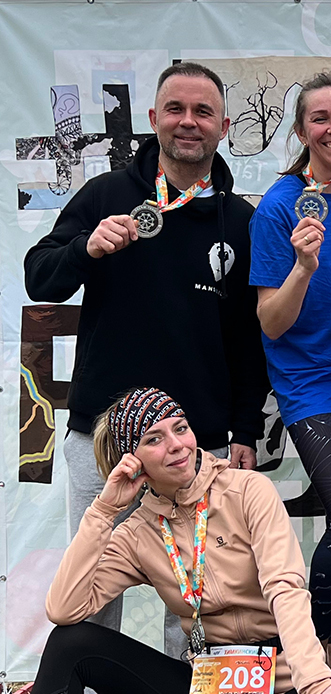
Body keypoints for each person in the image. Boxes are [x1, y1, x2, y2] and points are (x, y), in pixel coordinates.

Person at [22, 62, 268, 648]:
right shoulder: (107, 195)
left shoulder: (240, 220)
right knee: (90, 592)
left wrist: (243, 430)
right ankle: (85, 682)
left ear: (223, 126)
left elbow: (247, 339)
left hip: (196, 443)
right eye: (176, 109)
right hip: (103, 436)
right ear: (154, 118)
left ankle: (185, 686)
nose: (189, 122)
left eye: (203, 112)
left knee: (198, 596)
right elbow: (39, 276)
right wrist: (85, 248)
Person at [34, 388, 331, 694]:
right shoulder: (137, 532)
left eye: (181, 428)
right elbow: (64, 609)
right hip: (208, 681)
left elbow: (284, 589)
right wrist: (104, 512)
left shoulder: (247, 490)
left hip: (283, 677)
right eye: (154, 439)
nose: (177, 445)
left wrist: (315, 684)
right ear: (132, 461)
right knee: (69, 645)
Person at [248, 72, 331, 676]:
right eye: (319, 119)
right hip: (311, 387)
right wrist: (303, 266)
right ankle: (311, 663)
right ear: (301, 131)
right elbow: (271, 323)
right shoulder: (280, 206)